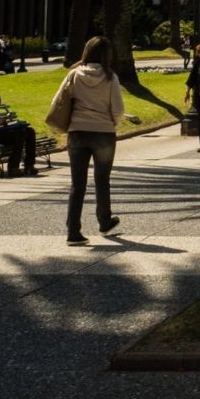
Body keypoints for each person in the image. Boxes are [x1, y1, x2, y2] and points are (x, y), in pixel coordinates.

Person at [48, 35, 124, 245]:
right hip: (103, 132)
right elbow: (118, 110)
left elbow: (57, 101)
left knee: (77, 183)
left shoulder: (74, 75)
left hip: (77, 131)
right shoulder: (110, 78)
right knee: (102, 179)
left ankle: (73, 231)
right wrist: (112, 123)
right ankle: (104, 220)